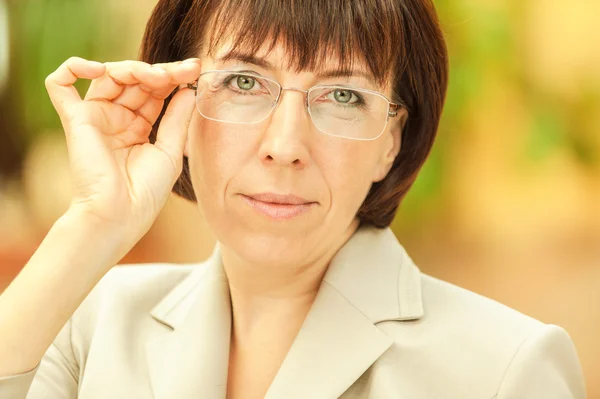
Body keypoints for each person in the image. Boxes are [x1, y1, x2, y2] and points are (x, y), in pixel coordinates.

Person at [0, 0, 587, 398]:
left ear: (391, 141)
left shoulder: (507, 368)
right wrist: (93, 222)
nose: (285, 146)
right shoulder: (95, 322)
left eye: (342, 95)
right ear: (173, 104)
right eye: (244, 82)